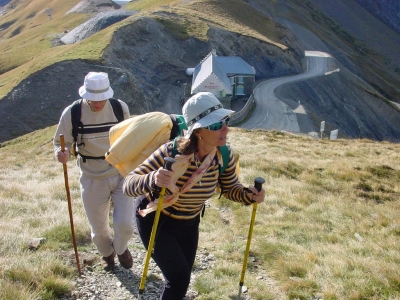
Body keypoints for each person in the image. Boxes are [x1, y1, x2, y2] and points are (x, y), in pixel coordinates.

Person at [123, 92, 265, 299]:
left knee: (182, 278)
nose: (225, 128)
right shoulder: (170, 153)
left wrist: (249, 195)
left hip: (189, 224)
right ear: (197, 131)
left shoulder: (223, 155)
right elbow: (128, 184)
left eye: (225, 121)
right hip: (155, 220)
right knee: (179, 277)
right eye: (216, 125)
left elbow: (230, 188)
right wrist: (153, 179)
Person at [53, 72, 135, 270]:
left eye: (101, 99)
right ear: (84, 94)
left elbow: (129, 135)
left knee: (125, 224)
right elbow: (60, 142)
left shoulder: (119, 108)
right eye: (93, 100)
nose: (97, 104)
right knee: (98, 230)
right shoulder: (72, 113)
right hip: (91, 176)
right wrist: (61, 154)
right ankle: (108, 255)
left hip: (120, 172)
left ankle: (121, 248)